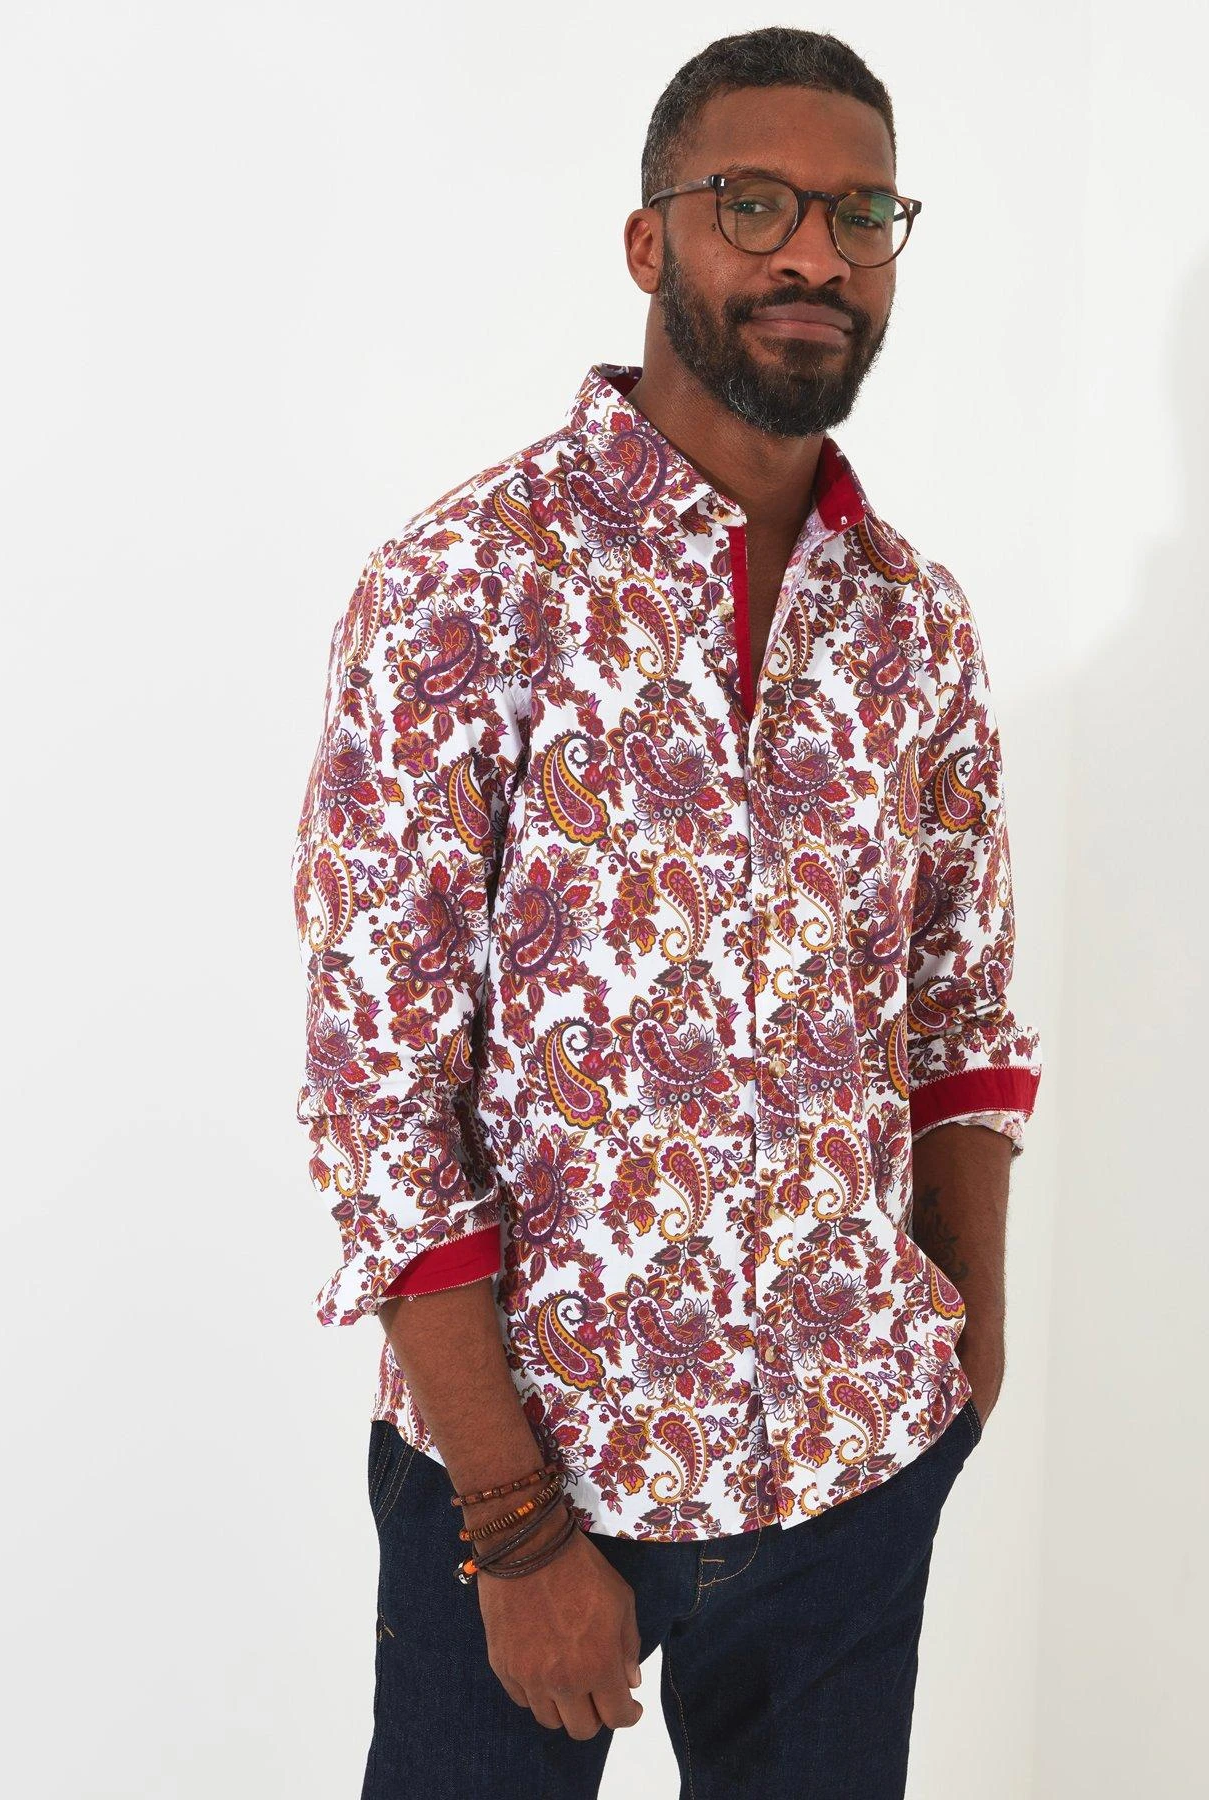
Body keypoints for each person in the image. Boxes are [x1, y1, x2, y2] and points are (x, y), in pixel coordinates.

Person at [291, 24, 1043, 1799]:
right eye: (754, 205)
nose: (814, 256)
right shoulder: (463, 588)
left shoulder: (913, 618)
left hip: (854, 1464)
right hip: (535, 1486)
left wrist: (960, 1349)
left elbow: (959, 1010)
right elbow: (377, 1095)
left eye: (860, 214)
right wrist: (512, 1526)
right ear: (650, 243)